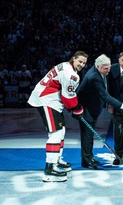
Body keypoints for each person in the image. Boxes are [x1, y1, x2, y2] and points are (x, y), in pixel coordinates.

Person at [27, 51, 88, 182]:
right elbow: (68, 98)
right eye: (80, 61)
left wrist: (75, 108)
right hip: (47, 100)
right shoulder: (71, 74)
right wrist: (77, 109)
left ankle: (56, 160)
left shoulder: (66, 65)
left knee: (61, 130)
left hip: (51, 100)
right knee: (55, 133)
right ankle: (49, 170)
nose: (82, 64)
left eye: (84, 63)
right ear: (73, 59)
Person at [76, 54, 123, 169]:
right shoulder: (93, 77)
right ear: (98, 67)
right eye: (106, 68)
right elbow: (106, 96)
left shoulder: (100, 71)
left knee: (90, 134)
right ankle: (86, 161)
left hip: (93, 107)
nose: (109, 70)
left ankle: (89, 156)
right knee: (87, 135)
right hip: (85, 109)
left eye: (109, 67)